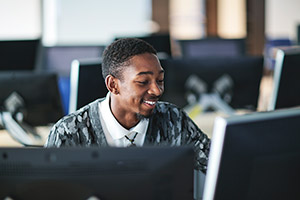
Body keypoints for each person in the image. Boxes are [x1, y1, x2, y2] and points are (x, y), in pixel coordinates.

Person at [45, 38, 210, 173]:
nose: (157, 90)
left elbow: (217, 164)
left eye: (160, 80)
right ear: (113, 85)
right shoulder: (69, 133)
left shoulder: (174, 120)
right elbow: (48, 190)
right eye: (143, 82)